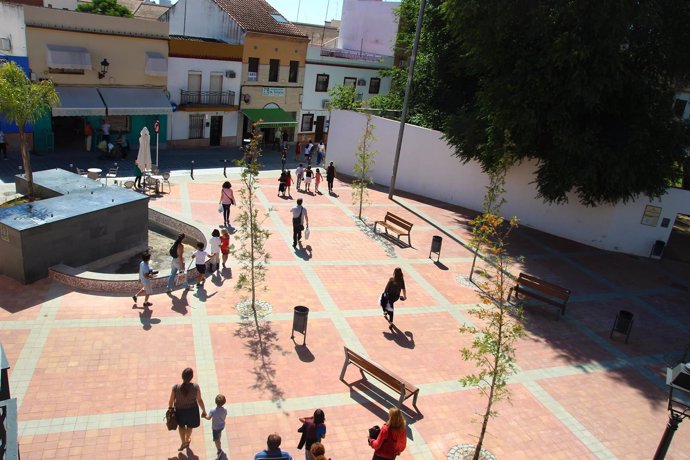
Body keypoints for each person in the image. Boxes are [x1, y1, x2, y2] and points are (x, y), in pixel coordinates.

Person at [169, 368, 207, 452]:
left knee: (181, 426)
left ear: (182, 376)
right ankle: (187, 439)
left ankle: (183, 442)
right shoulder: (195, 387)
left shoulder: (176, 387)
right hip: (192, 411)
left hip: (180, 411)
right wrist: (204, 410)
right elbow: (199, 400)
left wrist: (170, 409)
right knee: (190, 426)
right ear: (192, 377)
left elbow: (171, 400)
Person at [203, 394, 228, 459]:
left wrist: (204, 416)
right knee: (219, 435)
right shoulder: (225, 410)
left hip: (215, 427)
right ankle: (219, 440)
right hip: (222, 426)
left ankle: (219, 450)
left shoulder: (213, 410)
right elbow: (224, 417)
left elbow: (208, 418)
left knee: (216, 439)